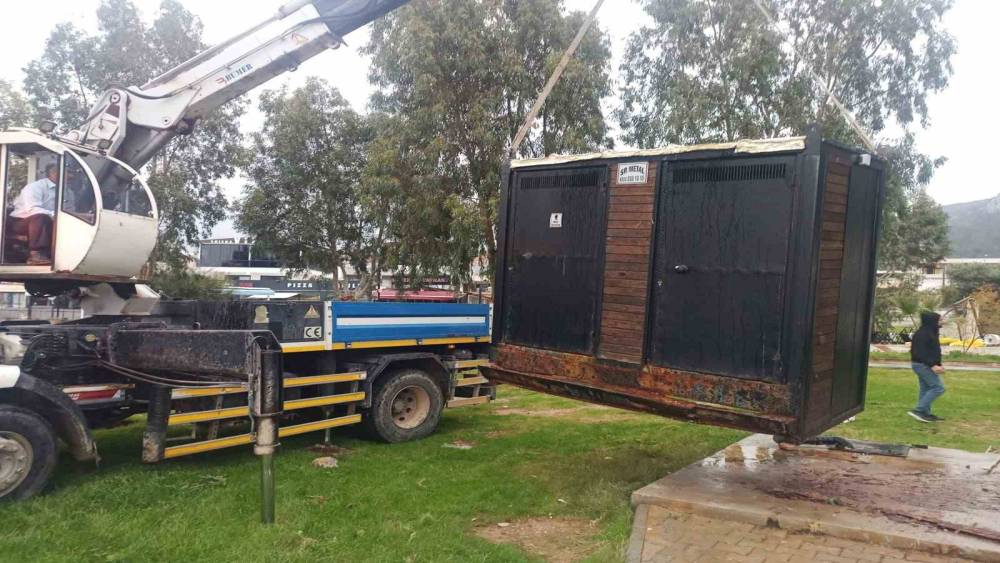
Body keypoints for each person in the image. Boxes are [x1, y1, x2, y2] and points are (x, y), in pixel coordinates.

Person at [9, 163, 58, 265]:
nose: (72, 176)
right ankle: (36, 254)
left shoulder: (68, 191)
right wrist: (59, 216)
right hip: (21, 222)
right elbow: (33, 209)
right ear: (53, 173)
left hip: (49, 221)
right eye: (69, 173)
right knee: (41, 217)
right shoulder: (35, 187)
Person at [909, 311, 946, 423]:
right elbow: (919, 353)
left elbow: (933, 351)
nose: (942, 322)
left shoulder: (931, 332)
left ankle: (925, 414)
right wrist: (932, 365)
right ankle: (919, 410)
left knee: (925, 389)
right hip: (922, 365)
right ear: (932, 321)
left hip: (926, 364)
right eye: (939, 320)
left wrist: (938, 365)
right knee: (938, 387)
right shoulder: (922, 334)